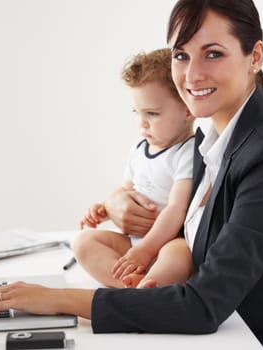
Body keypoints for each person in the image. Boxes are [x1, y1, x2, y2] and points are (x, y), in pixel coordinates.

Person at [0, 1, 263, 348]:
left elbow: (204, 305)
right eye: (181, 55)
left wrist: (57, 300)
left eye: (213, 54)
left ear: (255, 56)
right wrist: (118, 200)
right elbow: (175, 202)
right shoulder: (215, 137)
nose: (191, 74)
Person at [74, 48, 195, 289]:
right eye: (137, 113)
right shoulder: (140, 148)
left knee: (180, 255)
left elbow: (176, 209)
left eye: (152, 113)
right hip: (134, 243)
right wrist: (104, 209)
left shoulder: (188, 153)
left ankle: (153, 283)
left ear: (188, 109)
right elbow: (126, 191)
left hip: (167, 241)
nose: (142, 123)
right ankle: (132, 285)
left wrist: (147, 250)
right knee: (83, 242)